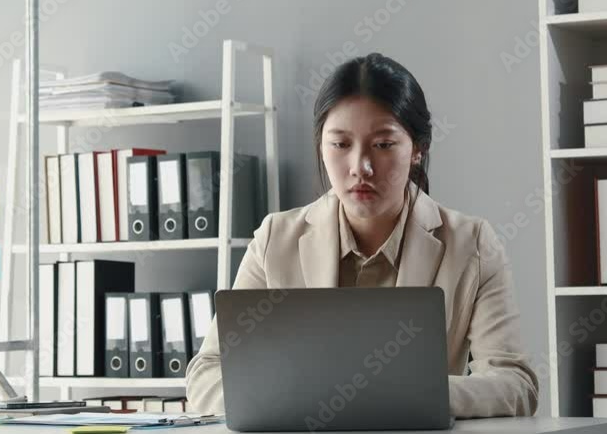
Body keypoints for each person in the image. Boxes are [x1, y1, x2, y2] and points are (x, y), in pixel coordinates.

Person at [184, 53, 539, 417]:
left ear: (418, 149)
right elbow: (206, 376)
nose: (360, 167)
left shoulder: (472, 243)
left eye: (383, 145)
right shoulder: (275, 240)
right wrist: (306, 396)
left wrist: (407, 394)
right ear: (321, 147)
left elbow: (515, 385)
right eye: (340, 144)